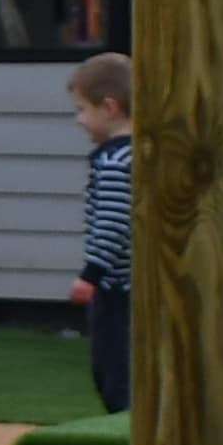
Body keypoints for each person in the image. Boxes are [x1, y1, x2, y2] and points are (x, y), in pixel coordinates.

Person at [67, 48, 136, 414]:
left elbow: (113, 221)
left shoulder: (113, 162)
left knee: (114, 371)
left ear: (109, 108)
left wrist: (90, 274)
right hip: (139, 285)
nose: (79, 120)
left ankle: (128, 439)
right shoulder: (145, 154)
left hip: (116, 287)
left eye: (82, 110)